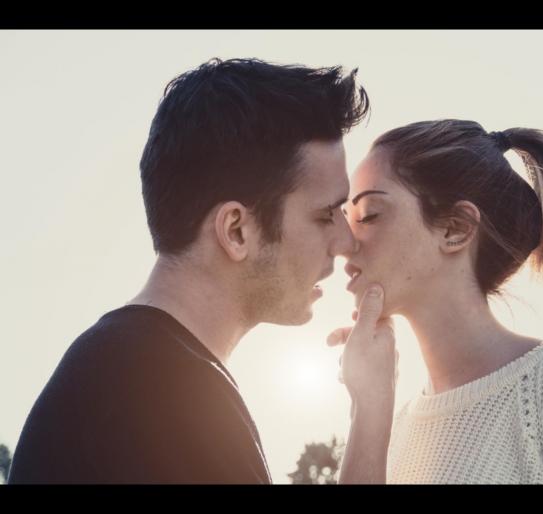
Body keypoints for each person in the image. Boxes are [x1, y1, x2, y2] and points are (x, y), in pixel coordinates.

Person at [8, 57, 392, 484]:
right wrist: (372, 411)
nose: (346, 242)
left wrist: (368, 406)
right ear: (236, 230)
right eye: (325, 215)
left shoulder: (128, 370)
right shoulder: (162, 393)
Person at [328, 119, 543, 484]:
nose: (344, 243)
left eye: (369, 215)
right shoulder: (394, 432)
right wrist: (368, 410)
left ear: (456, 228)